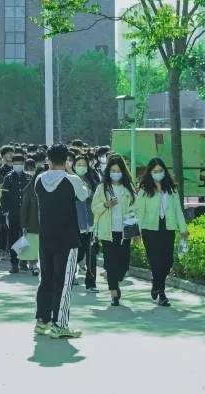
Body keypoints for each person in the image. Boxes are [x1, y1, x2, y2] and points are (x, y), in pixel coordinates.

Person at [33, 144, 89, 339]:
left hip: (45, 237)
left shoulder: (39, 179)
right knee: (64, 282)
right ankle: (60, 324)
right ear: (66, 161)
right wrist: (70, 172)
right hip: (67, 238)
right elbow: (84, 195)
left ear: (48, 159)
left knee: (46, 279)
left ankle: (42, 320)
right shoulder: (72, 180)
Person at [134, 158, 187, 307]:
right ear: (150, 173)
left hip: (167, 228)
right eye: (155, 171)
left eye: (161, 171)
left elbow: (178, 210)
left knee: (168, 261)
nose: (158, 173)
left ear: (165, 171)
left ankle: (156, 283)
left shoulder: (172, 189)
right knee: (156, 261)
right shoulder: (144, 191)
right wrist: (136, 233)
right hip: (150, 229)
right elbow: (139, 213)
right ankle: (161, 293)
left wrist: (183, 229)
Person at [92, 156, 136, 306]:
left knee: (123, 264)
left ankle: (116, 280)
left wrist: (131, 215)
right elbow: (94, 208)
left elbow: (135, 207)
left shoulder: (128, 188)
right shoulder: (102, 188)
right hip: (108, 232)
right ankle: (114, 293)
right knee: (111, 263)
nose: (115, 173)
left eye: (118, 171)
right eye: (113, 170)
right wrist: (106, 205)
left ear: (123, 172)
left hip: (124, 232)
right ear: (108, 172)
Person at [0, 154, 31, 273]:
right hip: (12, 213)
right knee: (13, 238)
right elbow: (4, 196)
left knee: (25, 237)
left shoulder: (28, 177)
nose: (18, 165)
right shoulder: (8, 178)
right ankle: (14, 263)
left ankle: (23, 261)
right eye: (16, 163)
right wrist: (5, 211)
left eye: (21, 163)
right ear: (12, 164)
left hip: (26, 213)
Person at [72, 154, 99, 291]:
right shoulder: (69, 181)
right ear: (74, 166)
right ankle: (71, 275)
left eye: (84, 164)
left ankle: (91, 283)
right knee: (77, 253)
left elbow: (98, 198)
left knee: (91, 255)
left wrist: (88, 192)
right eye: (79, 164)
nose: (81, 167)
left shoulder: (93, 181)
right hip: (75, 224)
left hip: (91, 223)